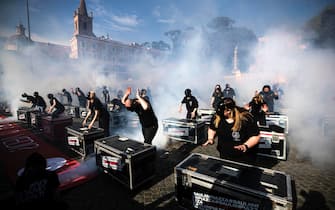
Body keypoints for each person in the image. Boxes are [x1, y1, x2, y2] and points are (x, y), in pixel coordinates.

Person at [202, 97, 260, 164]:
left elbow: (256, 136)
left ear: (229, 110)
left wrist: (245, 145)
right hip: (224, 155)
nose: (218, 113)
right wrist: (210, 138)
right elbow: (212, 128)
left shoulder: (246, 118)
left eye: (221, 111)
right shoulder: (217, 116)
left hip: (244, 157)